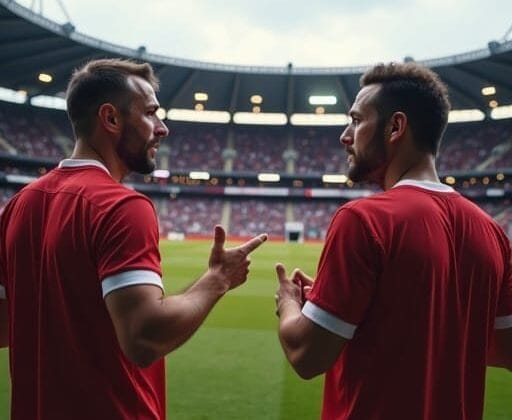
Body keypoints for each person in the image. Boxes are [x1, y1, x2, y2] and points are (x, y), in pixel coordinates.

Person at [0, 58, 267, 419]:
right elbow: (144, 338)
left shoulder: (18, 206)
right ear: (111, 119)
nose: (163, 128)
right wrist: (218, 280)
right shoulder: (121, 206)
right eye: (151, 113)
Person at [275, 62, 512, 419]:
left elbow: (306, 356)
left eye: (356, 121)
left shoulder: (363, 220)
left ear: (395, 127)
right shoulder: (493, 232)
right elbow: (503, 351)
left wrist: (290, 304)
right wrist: (351, 305)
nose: (344, 135)